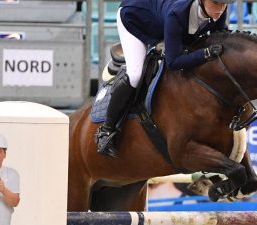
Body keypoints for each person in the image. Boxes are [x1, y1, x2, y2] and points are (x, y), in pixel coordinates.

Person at [95, 0, 234, 157]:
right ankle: (106, 131)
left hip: (161, 20)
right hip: (134, 18)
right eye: (216, 4)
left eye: (224, 5)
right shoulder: (178, 13)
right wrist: (205, 54)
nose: (220, 9)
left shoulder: (219, 11)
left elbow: (222, 36)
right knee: (135, 74)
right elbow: (173, 62)